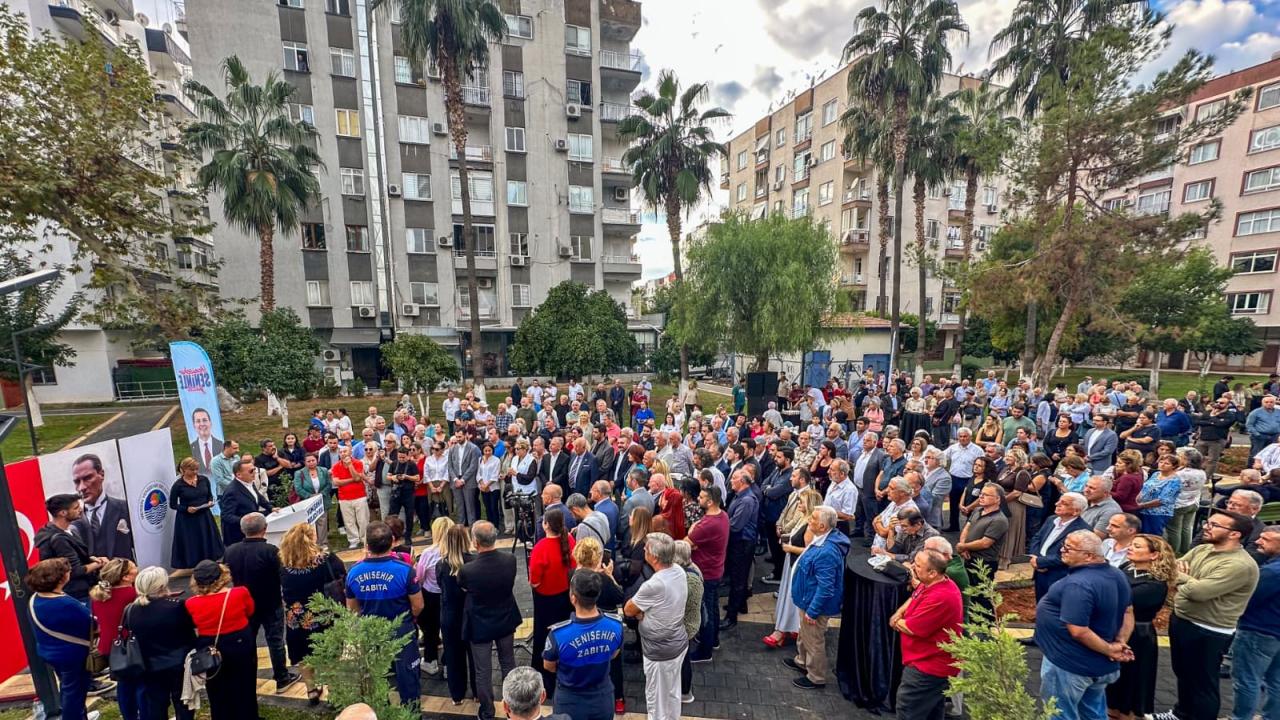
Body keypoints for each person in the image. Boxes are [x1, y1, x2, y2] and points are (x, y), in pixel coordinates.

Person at [1155, 511, 1262, 720]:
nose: (1206, 527)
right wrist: (1187, 579)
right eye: (1208, 522)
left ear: (1234, 534)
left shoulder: (1239, 565)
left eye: (1214, 525)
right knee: (1184, 674)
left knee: (1203, 683)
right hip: (1183, 619)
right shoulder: (1203, 549)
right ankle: (1181, 713)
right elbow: (1167, 569)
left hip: (1209, 629)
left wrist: (1181, 579)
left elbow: (1199, 593)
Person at [1034, 531, 1133, 720]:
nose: (1062, 550)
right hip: (1096, 667)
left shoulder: (1079, 584)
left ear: (1088, 556)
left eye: (1069, 548)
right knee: (1093, 712)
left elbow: (1079, 630)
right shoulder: (1117, 574)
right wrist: (1120, 641)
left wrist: (1110, 650)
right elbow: (1128, 612)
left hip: (1070, 665)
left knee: (1060, 714)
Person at [345, 522, 423, 711]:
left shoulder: (353, 573)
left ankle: (380, 713)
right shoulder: (405, 570)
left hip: (371, 633)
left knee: (377, 680)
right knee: (408, 681)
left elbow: (352, 611)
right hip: (401, 633)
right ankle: (411, 715)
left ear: (367, 545)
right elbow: (418, 605)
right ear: (392, 543)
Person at [223, 513, 299, 692]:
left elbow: (225, 576)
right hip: (270, 603)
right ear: (265, 529)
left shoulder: (230, 551)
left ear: (243, 530)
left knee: (247, 642)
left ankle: (247, 678)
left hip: (243, 605)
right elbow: (284, 576)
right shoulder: (271, 551)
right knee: (276, 641)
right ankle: (281, 677)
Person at [1106, 534, 1176, 720]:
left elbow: (1118, 601)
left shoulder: (1154, 584)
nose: (1130, 548)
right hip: (1119, 629)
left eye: (1137, 546)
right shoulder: (1127, 568)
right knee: (1114, 685)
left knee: (1131, 682)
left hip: (1137, 636)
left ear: (1154, 555)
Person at [459, 521, 523, 720]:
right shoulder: (510, 560)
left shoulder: (468, 570)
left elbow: (462, 586)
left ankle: (487, 711)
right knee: (508, 663)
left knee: (483, 671)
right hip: (505, 618)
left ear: (475, 542)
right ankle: (513, 705)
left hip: (480, 623)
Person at [891, 549, 964, 720]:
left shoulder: (941, 596)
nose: (913, 567)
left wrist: (896, 621)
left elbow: (913, 628)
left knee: (908, 708)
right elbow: (915, 597)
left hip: (928, 667)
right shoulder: (931, 583)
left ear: (932, 572)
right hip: (925, 662)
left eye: (918, 565)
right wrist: (900, 613)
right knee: (932, 710)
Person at [278, 522, 346, 704]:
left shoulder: (284, 566)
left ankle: (311, 690)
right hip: (323, 616)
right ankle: (334, 692)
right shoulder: (325, 560)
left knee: (303, 655)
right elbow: (342, 575)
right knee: (331, 654)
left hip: (296, 619)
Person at [542, 569, 624, 720]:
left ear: (573, 598)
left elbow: (549, 666)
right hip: (602, 697)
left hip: (570, 701)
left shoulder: (558, 634)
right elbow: (614, 654)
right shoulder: (616, 625)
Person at [27, 558, 103, 720]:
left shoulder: (35, 599)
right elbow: (93, 624)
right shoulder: (66, 603)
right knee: (75, 693)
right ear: (61, 578)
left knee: (68, 688)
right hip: (73, 655)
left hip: (50, 652)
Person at [785, 506, 849, 690]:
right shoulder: (822, 540)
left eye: (812, 518)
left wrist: (813, 611)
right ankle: (802, 661)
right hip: (807, 599)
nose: (809, 520)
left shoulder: (827, 552)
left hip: (814, 605)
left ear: (822, 526)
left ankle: (816, 676)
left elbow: (826, 587)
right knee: (805, 635)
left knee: (814, 641)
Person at [624, 532, 687, 720]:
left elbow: (628, 609)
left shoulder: (654, 585)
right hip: (678, 642)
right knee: (672, 692)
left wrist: (642, 613)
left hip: (659, 651)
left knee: (656, 699)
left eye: (646, 548)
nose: (643, 549)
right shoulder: (678, 571)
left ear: (655, 556)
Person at [184, 561, 258, 720]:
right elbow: (250, 610)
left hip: (209, 646)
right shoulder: (239, 593)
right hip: (239, 641)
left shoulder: (191, 603)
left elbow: (193, 624)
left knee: (216, 686)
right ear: (222, 575)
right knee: (245, 682)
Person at [129, 567, 196, 720]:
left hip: (149, 664)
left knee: (156, 704)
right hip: (179, 663)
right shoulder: (177, 606)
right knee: (183, 702)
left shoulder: (131, 610)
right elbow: (189, 632)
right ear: (161, 586)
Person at [571, 538, 628, 714]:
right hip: (607, 622)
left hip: (582, 622)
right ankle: (618, 698)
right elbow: (620, 596)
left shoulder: (574, 575)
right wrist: (610, 575)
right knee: (615, 661)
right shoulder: (602, 579)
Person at [1229, 524, 1280, 720]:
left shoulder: (1272, 572)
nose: (1258, 541)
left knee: (1247, 680)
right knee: (1275, 681)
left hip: (1258, 630)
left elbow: (1247, 598)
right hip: (1274, 632)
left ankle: (1241, 717)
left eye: (1266, 539)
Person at [765, 487, 825, 648]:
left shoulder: (810, 525)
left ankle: (784, 629)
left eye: (802, 502)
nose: (799, 503)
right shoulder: (804, 518)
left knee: (792, 597)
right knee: (788, 596)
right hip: (791, 563)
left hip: (797, 565)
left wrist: (790, 548)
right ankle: (791, 627)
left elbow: (810, 551)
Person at [529, 508, 577, 696]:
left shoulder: (540, 547)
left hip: (545, 599)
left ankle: (545, 675)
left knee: (543, 635)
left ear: (546, 524)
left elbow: (535, 580)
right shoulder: (570, 541)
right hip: (565, 595)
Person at [90, 559, 143, 720]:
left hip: (108, 647)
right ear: (125, 577)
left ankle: (129, 716)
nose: (137, 568)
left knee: (124, 685)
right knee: (141, 684)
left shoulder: (98, 596)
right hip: (131, 646)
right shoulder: (132, 595)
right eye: (134, 567)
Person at [35, 493, 106, 603]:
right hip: (77, 593)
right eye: (76, 508)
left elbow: (72, 558)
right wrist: (99, 563)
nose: (80, 510)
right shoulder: (59, 539)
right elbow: (74, 571)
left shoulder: (66, 532)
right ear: (63, 513)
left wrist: (90, 559)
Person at [437, 524, 475, 705]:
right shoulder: (473, 561)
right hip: (470, 614)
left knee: (453, 656)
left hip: (450, 615)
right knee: (475, 655)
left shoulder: (441, 565)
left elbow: (439, 586)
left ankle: (457, 695)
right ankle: (477, 692)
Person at [169, 457, 224, 569]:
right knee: (193, 541)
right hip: (187, 519)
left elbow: (209, 495)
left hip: (204, 515)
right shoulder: (178, 486)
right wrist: (186, 509)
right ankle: (194, 564)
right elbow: (173, 504)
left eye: (196, 469)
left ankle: (211, 560)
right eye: (192, 470)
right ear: (183, 470)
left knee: (207, 538)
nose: (195, 472)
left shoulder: (204, 480)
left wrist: (209, 501)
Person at [722, 469, 759, 629]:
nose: (731, 480)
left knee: (738, 578)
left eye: (734, 478)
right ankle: (740, 604)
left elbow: (736, 525)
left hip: (742, 543)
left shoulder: (747, 500)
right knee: (739, 577)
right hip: (740, 542)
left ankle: (731, 616)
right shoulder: (741, 496)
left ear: (742, 482)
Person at [219, 459, 272, 547]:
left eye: (254, 469)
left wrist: (270, 507)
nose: (254, 473)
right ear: (239, 475)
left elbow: (257, 496)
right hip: (238, 535)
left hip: (251, 531)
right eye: (251, 471)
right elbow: (226, 516)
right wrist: (247, 521)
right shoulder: (232, 492)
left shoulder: (249, 482)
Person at [1168, 447, 1206, 556]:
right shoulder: (1201, 472)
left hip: (1179, 504)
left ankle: (1173, 551)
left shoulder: (1180, 473)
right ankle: (1185, 550)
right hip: (1193, 502)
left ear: (1186, 460)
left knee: (1174, 529)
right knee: (1186, 527)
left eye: (1180, 457)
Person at [332, 447, 370, 549]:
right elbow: (336, 482)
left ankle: (365, 539)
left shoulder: (357, 463)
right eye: (340, 452)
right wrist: (351, 480)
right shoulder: (336, 466)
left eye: (345, 451)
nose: (343, 454)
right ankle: (353, 540)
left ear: (350, 452)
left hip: (359, 496)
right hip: (344, 497)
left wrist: (350, 466)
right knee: (349, 521)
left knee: (363, 520)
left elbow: (357, 478)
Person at [1136, 454, 1182, 536]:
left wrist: (1142, 505)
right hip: (1143, 510)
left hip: (1157, 513)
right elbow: (1145, 488)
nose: (1162, 464)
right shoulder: (1156, 474)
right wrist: (1137, 500)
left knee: (1153, 536)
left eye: (1167, 463)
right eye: (1161, 462)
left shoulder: (1174, 481)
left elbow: (1163, 500)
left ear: (1174, 466)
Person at [292, 453, 333, 545]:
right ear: (305, 462)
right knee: (309, 524)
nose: (311, 463)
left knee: (322, 522)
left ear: (317, 461)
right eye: (308, 461)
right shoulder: (299, 473)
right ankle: (311, 544)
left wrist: (321, 494)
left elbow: (328, 484)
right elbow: (298, 488)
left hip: (322, 500)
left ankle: (323, 543)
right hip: (307, 502)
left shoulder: (324, 470)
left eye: (313, 460)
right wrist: (310, 496)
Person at [448, 433, 481, 526]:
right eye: (457, 437)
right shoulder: (452, 449)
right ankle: (461, 527)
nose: (458, 439)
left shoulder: (473, 448)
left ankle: (472, 528)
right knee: (459, 506)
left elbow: (473, 466)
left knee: (470, 506)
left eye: (460, 437)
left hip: (468, 480)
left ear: (465, 435)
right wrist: (455, 479)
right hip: (455, 480)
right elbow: (449, 466)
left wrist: (463, 480)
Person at [1246, 395, 1280, 465]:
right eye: (1266, 402)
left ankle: (1266, 469)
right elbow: (1249, 425)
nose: (1269, 403)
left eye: (1271, 402)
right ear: (1262, 403)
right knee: (1256, 453)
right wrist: (1257, 434)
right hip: (1259, 436)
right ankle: (1251, 468)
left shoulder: (1278, 412)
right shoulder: (1255, 412)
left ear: (1274, 403)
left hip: (1275, 436)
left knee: (1272, 453)